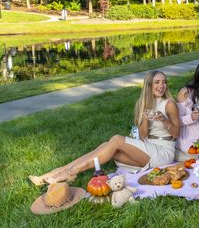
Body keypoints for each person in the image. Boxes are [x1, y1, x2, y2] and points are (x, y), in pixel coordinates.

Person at [29, 70, 180, 185]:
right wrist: (146, 118)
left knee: (116, 140)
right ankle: (59, 171)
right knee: (106, 147)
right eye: (157, 82)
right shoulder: (143, 104)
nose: (161, 86)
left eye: (164, 82)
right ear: (149, 85)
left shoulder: (169, 104)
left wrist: (163, 120)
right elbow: (142, 137)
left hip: (163, 152)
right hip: (148, 147)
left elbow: (176, 133)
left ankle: (71, 172)